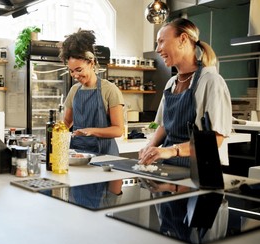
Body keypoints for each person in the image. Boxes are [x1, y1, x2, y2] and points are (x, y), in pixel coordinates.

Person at [138, 18, 232, 167]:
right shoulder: (171, 84)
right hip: (170, 167)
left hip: (200, 170)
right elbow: (164, 125)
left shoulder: (211, 81)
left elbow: (216, 139)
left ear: (182, 39)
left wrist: (172, 150)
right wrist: (150, 146)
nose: (157, 49)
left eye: (161, 41)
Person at [59, 29, 125, 156]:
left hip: (105, 156)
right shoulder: (74, 90)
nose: (75, 75)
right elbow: (66, 123)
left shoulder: (109, 89)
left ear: (91, 63)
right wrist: (53, 137)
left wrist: (91, 131)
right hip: (78, 154)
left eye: (79, 69)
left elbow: (118, 130)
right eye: (71, 71)